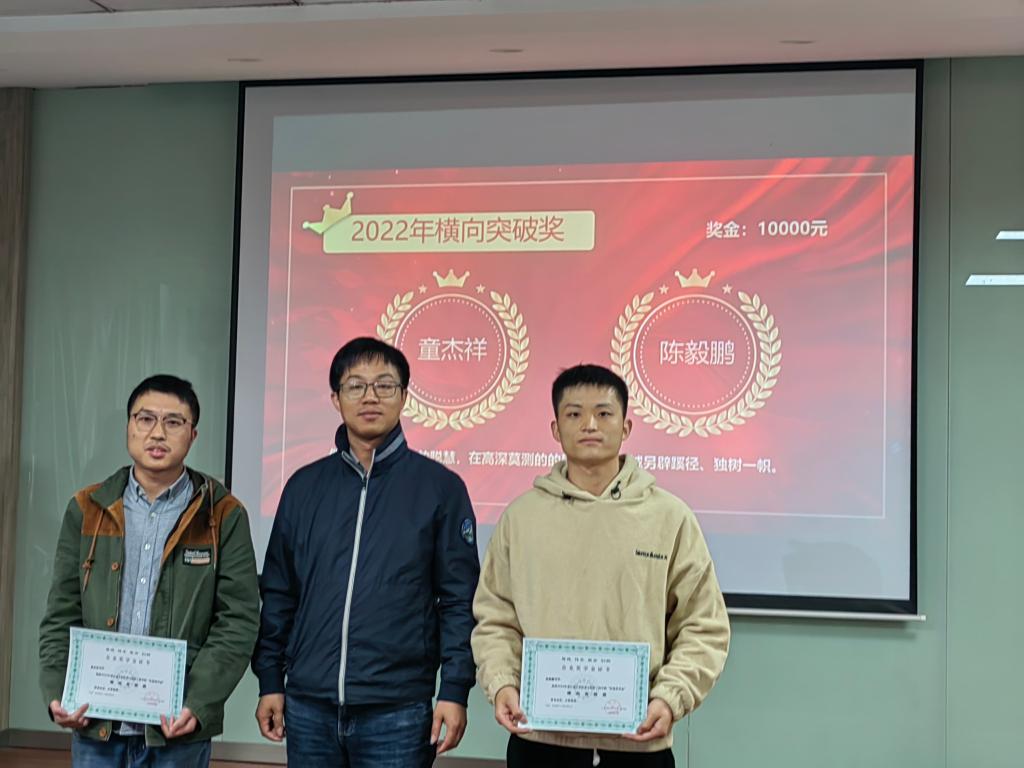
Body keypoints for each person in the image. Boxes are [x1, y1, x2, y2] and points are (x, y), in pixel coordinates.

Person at [472, 364, 731, 767]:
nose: (589, 424)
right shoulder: (521, 518)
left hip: (639, 741)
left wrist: (669, 698)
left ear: (626, 427)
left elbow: (704, 625)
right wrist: (502, 684)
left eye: (604, 413)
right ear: (556, 429)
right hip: (540, 739)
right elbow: (495, 618)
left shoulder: (669, 517)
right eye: (574, 413)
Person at [252, 337, 479, 766]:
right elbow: (280, 592)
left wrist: (454, 689)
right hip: (308, 706)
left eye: (384, 385)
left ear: (404, 396)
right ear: (335, 399)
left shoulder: (440, 488)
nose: (370, 397)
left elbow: (458, 600)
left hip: (398, 710)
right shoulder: (304, 486)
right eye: (355, 385)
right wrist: (270, 680)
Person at [39, 374, 260, 767]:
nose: (158, 433)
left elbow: (238, 620)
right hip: (95, 724)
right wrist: (59, 690)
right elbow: (61, 612)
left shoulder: (222, 514)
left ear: (192, 435)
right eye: (145, 419)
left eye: (174, 422)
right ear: (129, 426)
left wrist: (199, 701)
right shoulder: (87, 508)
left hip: (177, 727)